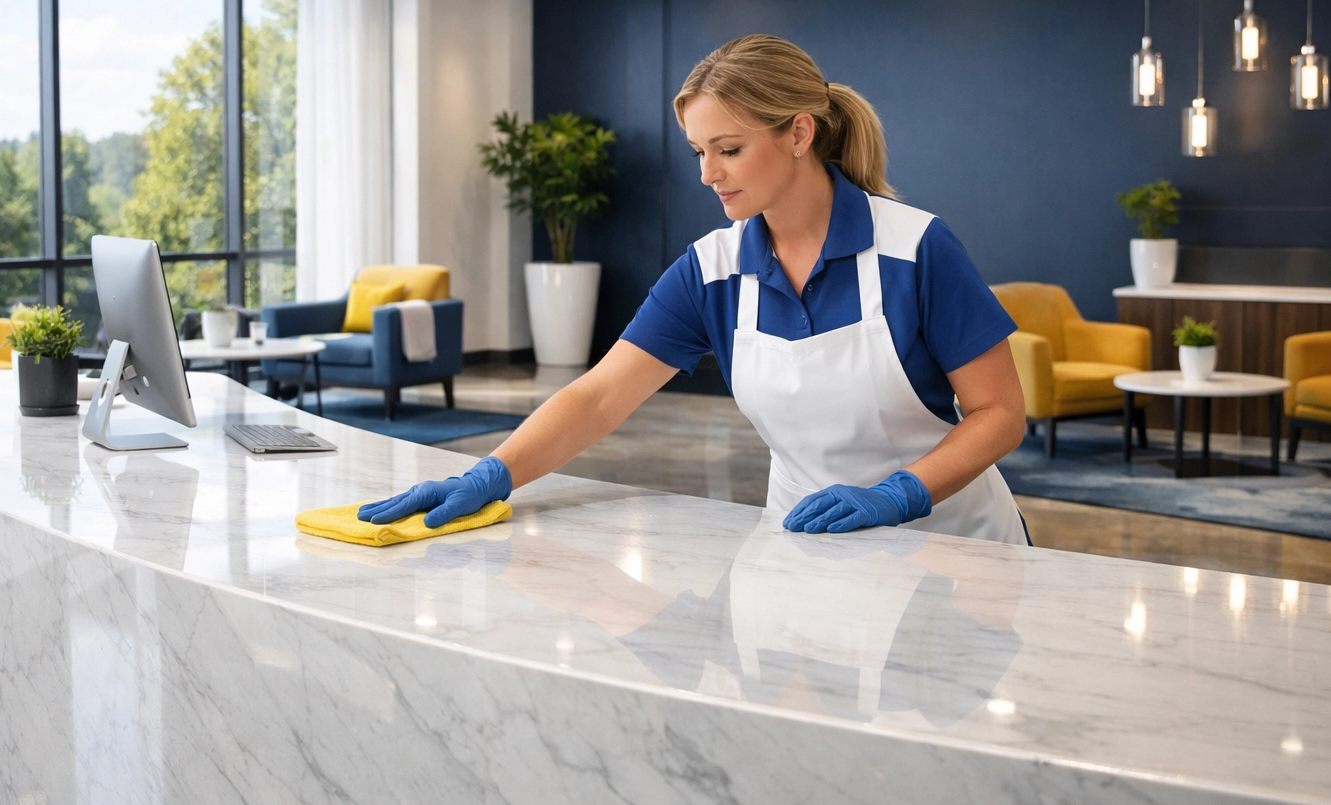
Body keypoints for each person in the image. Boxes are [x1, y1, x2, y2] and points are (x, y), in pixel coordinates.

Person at [358, 34, 1028, 545]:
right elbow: (599, 396)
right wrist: (488, 475)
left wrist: (901, 494)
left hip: (954, 550)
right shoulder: (713, 269)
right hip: (809, 547)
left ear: (799, 132)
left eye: (728, 149)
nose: (708, 173)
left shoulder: (914, 249)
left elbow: (999, 412)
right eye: (697, 151)